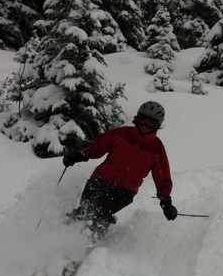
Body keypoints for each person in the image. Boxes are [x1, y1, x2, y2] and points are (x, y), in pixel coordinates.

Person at [62, 100, 177, 242]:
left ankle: (88, 244)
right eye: (142, 120)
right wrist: (80, 154)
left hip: (124, 192)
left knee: (101, 212)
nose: (145, 125)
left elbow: (163, 177)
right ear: (137, 117)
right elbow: (97, 147)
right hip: (99, 179)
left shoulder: (157, 148)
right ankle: (61, 232)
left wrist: (166, 201)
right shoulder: (122, 134)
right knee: (87, 208)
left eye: (151, 123)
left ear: (157, 125)